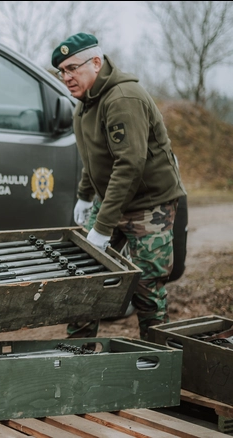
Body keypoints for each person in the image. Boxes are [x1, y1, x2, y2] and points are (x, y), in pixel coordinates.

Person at [51, 33, 187, 341]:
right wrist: (85, 196)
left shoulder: (123, 98)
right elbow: (95, 159)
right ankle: (78, 352)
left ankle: (156, 359)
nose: (66, 77)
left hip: (150, 204)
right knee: (84, 272)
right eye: (62, 71)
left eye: (72, 68)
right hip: (112, 196)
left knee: (146, 286)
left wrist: (102, 225)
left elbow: (130, 165)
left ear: (96, 63)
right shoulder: (85, 104)